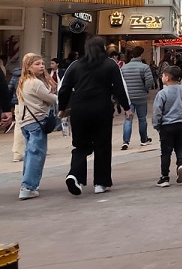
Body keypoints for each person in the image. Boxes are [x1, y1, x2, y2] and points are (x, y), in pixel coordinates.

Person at [58, 35, 131, 196]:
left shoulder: (75, 65)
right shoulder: (110, 64)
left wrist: (61, 107)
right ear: (103, 48)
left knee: (80, 145)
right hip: (102, 108)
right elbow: (119, 87)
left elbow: (64, 88)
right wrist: (126, 107)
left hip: (79, 109)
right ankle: (100, 182)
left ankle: (75, 175)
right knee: (102, 145)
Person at [16, 53, 58, 200]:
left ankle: (28, 183)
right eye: (37, 64)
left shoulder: (23, 82)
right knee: (36, 154)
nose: (41, 66)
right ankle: (28, 186)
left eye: (42, 63)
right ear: (29, 67)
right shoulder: (35, 83)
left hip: (26, 122)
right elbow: (52, 99)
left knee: (30, 153)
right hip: (36, 121)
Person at [153, 65, 182, 187]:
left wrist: (157, 125)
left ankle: (165, 177)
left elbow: (157, 111)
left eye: (163, 75)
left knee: (166, 151)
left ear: (167, 78)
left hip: (167, 125)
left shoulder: (162, 93)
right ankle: (181, 165)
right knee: (180, 147)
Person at [120, 46, 155, 150]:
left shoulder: (123, 68)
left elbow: (121, 83)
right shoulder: (145, 67)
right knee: (142, 119)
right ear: (141, 55)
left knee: (128, 118)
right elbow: (149, 82)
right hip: (141, 97)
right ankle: (143, 140)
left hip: (128, 98)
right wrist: (145, 89)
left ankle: (126, 141)